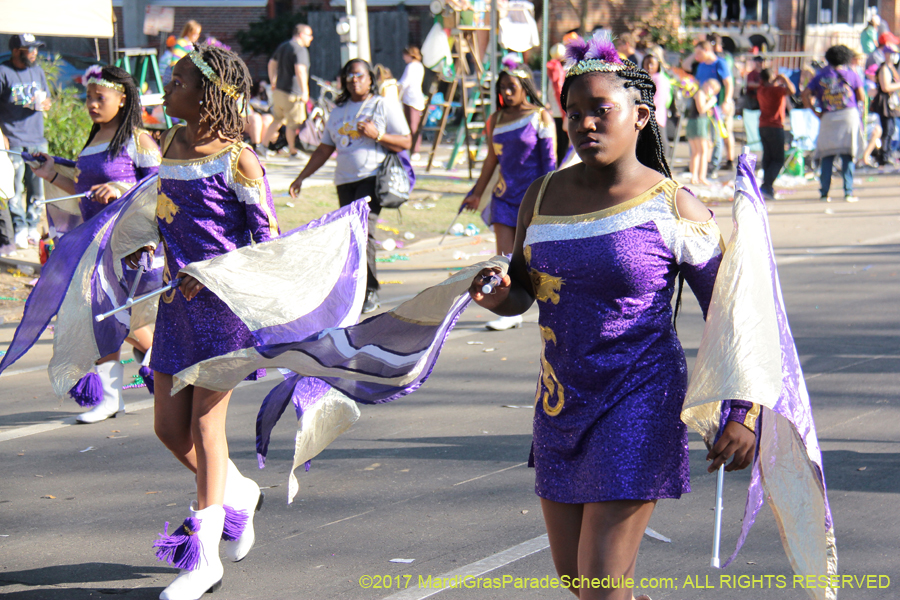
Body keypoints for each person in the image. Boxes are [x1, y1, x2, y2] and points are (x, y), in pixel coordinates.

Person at [468, 34, 756, 600]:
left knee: (599, 583)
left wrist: (743, 411)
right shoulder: (541, 196)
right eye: (573, 113)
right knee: (582, 582)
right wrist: (496, 294)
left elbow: (731, 313)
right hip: (560, 401)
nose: (585, 124)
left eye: (602, 110)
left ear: (640, 115)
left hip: (639, 399)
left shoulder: (674, 206)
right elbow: (524, 292)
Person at [126, 44, 277, 599]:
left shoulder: (239, 159)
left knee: (205, 428)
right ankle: (237, 493)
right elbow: (160, 211)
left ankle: (204, 559)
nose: (167, 89)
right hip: (174, 307)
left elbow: (268, 245)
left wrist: (216, 274)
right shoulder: (168, 142)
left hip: (222, 311)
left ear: (210, 95)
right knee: (169, 428)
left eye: (178, 79)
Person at [30, 65, 161, 423]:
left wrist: (120, 190)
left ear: (122, 100)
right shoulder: (93, 142)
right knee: (102, 314)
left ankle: (161, 369)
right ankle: (115, 395)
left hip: (129, 244)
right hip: (95, 241)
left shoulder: (138, 140)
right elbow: (85, 191)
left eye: (98, 97)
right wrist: (52, 173)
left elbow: (159, 187)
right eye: (87, 97)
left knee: (119, 318)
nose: (90, 103)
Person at [289, 59, 411, 314]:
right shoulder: (337, 111)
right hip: (345, 179)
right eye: (349, 76)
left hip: (372, 177)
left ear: (370, 79)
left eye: (360, 75)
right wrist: (302, 177)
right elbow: (325, 149)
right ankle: (355, 289)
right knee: (351, 236)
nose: (354, 80)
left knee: (363, 233)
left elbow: (406, 141)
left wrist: (377, 135)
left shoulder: (382, 105)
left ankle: (370, 291)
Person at [461, 65, 556, 331]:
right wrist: (476, 193)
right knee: (503, 257)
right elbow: (492, 159)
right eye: (502, 88)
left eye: (511, 86)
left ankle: (545, 303)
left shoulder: (541, 117)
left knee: (534, 258)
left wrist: (550, 195)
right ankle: (509, 311)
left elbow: (549, 161)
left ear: (525, 87)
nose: (506, 92)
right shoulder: (496, 119)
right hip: (503, 197)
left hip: (533, 198)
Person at [0, 34, 51, 249]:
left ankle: (32, 228)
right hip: (13, 138)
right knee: (14, 188)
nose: (34, 53)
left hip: (37, 138)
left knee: (37, 187)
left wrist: (46, 103)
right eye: (29, 49)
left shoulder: (37, 71)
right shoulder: (4, 72)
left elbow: (47, 97)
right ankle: (19, 229)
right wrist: (1, 134)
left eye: (35, 49)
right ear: (15, 51)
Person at [802, 45, 865, 203]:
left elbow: (805, 94)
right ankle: (848, 192)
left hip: (828, 117)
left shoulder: (820, 76)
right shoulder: (851, 74)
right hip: (848, 116)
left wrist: (815, 111)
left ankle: (824, 193)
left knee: (827, 156)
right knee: (847, 155)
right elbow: (861, 97)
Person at [263, 24, 314, 159]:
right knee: (293, 124)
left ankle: (263, 146)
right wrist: (305, 91)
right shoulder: (300, 50)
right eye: (309, 35)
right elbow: (300, 70)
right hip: (292, 93)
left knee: (278, 119)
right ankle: (293, 151)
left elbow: (271, 64)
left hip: (279, 91)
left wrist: (273, 81)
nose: (311, 39)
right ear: (302, 35)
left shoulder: (283, 46)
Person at [691, 40, 733, 177]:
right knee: (705, 138)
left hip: (717, 105)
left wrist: (726, 100)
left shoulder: (720, 63)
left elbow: (728, 83)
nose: (696, 56)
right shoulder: (701, 66)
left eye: (699, 52)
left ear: (707, 50)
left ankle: (713, 165)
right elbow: (697, 83)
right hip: (703, 107)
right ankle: (700, 168)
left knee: (717, 136)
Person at [756, 69, 796, 200]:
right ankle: (767, 185)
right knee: (778, 159)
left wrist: (772, 79)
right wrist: (784, 79)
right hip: (775, 126)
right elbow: (792, 90)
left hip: (763, 126)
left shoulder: (761, 90)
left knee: (768, 157)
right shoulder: (776, 91)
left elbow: (766, 83)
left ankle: (766, 186)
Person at [708, 34, 736, 171]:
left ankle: (730, 159)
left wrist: (727, 100)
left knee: (725, 131)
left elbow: (729, 82)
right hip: (715, 103)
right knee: (719, 132)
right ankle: (722, 160)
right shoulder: (711, 60)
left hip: (723, 101)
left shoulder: (724, 59)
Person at [871, 40, 900, 166]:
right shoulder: (884, 68)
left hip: (891, 103)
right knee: (887, 130)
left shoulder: (891, 68)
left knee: (891, 129)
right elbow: (885, 87)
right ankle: (884, 155)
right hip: (884, 104)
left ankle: (887, 153)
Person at [686, 78, 720, 186]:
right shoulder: (700, 93)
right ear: (705, 84)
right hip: (698, 123)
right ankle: (701, 176)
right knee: (702, 151)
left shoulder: (701, 94)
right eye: (711, 87)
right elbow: (701, 109)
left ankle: (695, 176)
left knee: (696, 152)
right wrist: (711, 102)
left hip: (697, 122)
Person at [398, 46, 427, 160]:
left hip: (410, 99)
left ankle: (413, 149)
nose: (403, 58)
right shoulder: (420, 66)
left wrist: (396, 86)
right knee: (416, 125)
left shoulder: (410, 66)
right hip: (418, 98)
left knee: (411, 125)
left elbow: (405, 82)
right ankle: (415, 149)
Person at [642, 54, 670, 158]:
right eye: (646, 64)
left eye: (652, 64)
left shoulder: (660, 79)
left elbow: (658, 99)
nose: (649, 67)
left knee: (660, 142)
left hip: (655, 115)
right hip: (644, 115)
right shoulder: (644, 78)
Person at [547, 43, 569, 165]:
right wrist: (564, 110)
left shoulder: (554, 68)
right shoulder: (557, 69)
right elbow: (558, 90)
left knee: (560, 145)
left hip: (557, 112)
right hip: (559, 112)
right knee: (562, 146)